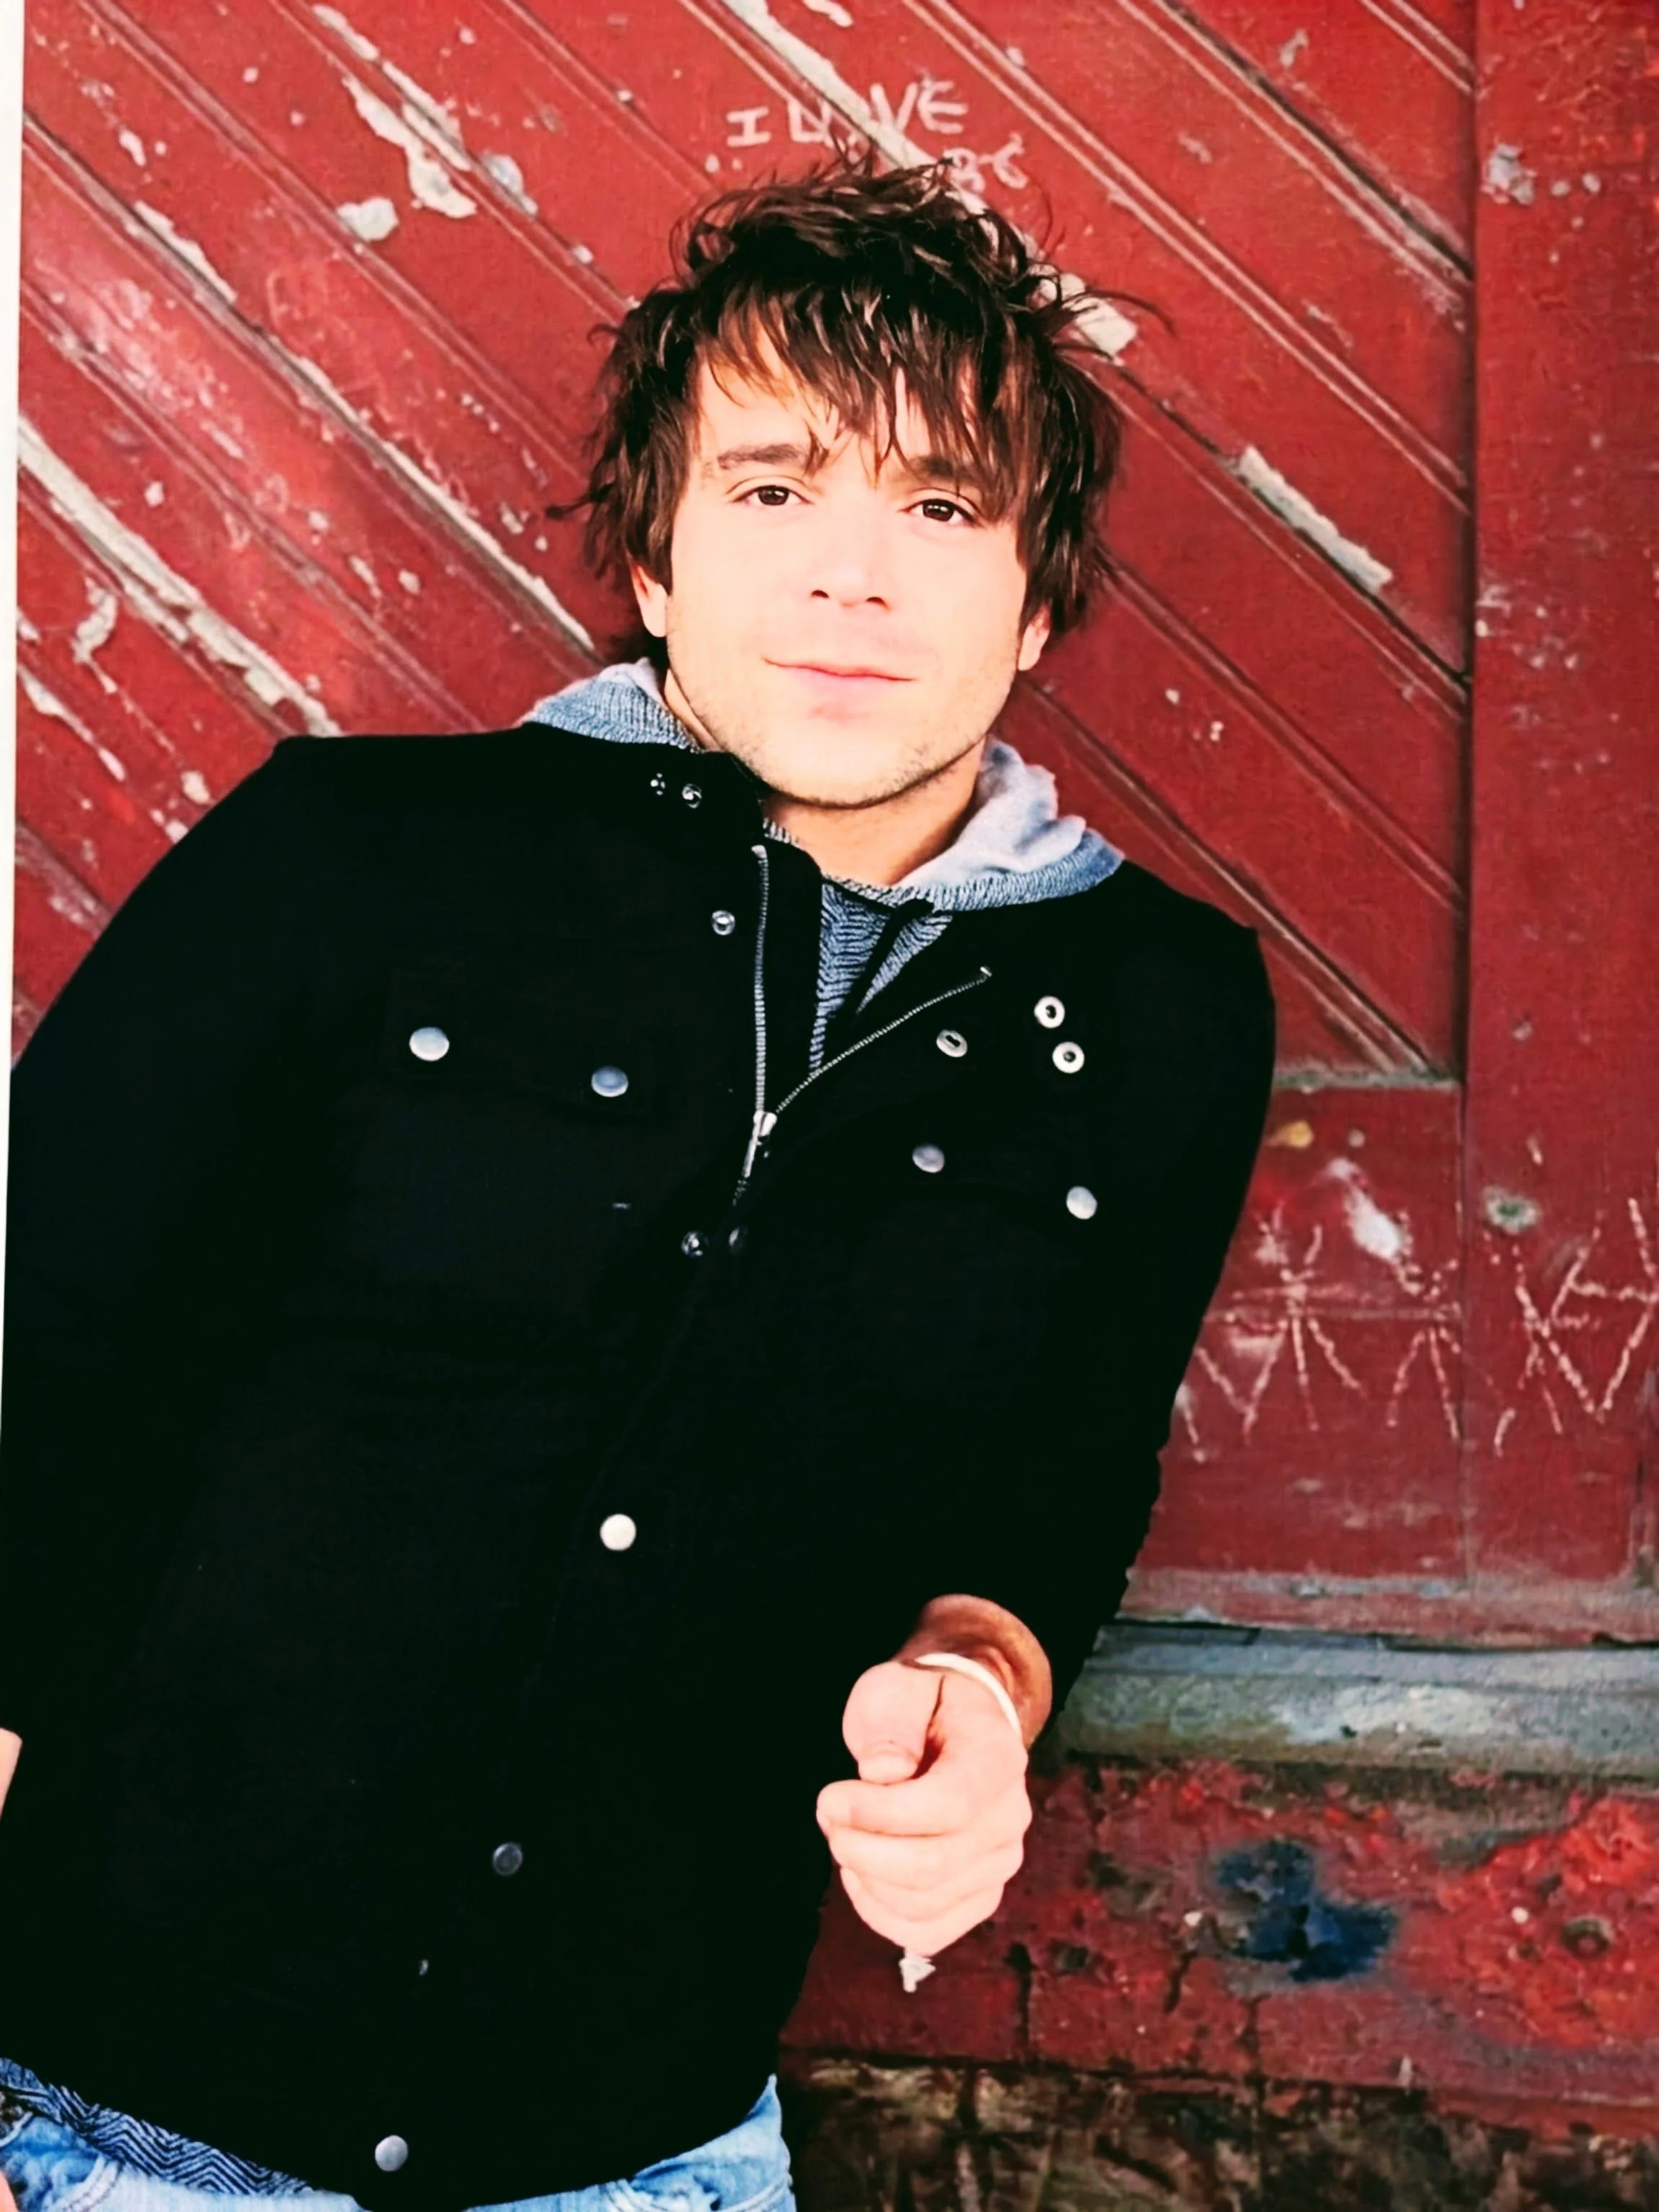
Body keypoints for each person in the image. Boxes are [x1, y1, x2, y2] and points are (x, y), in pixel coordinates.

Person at [0, 152, 1273, 2212]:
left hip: (646, 2146)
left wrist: (979, 1683)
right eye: (773, 489)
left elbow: (1057, 1477)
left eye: (937, 504)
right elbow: (24, 1394)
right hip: (112, 2125)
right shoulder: (346, 859)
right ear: (659, 564)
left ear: (1034, 597)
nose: (849, 573)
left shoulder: (1160, 1005)